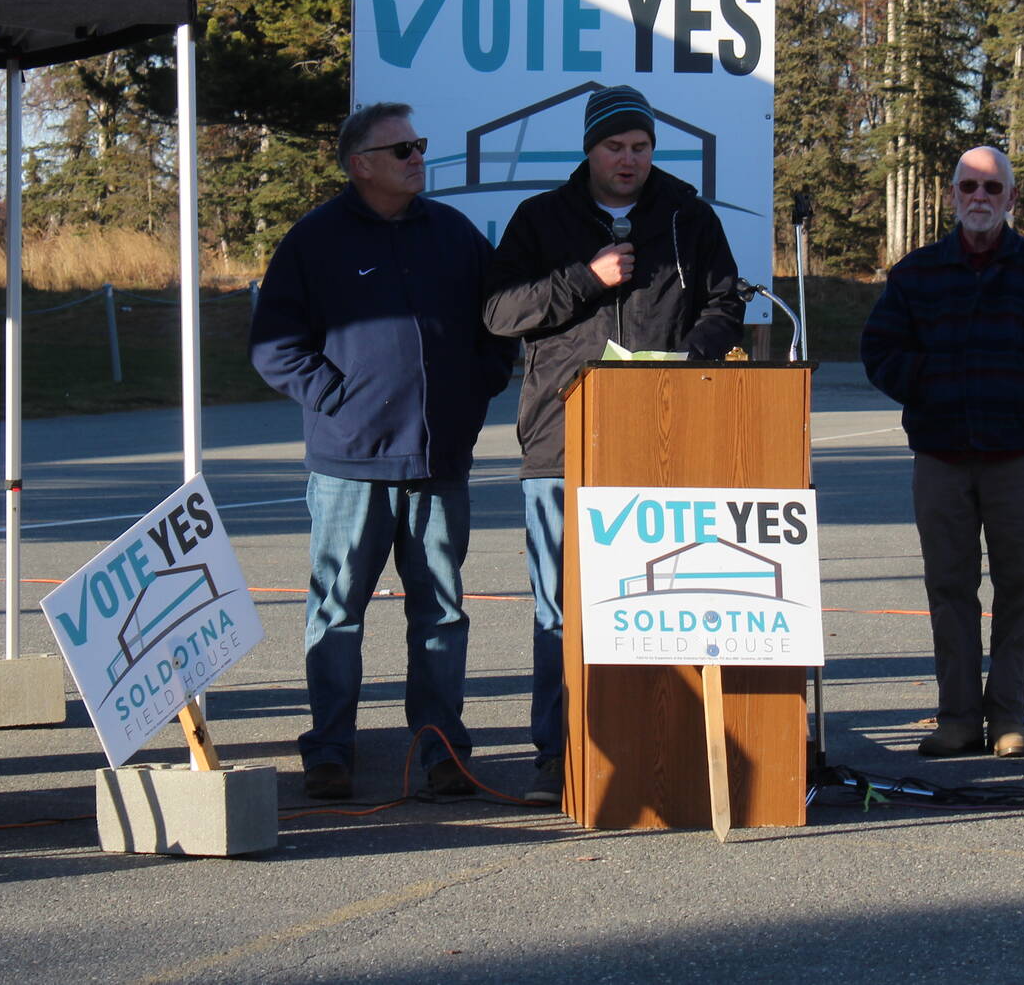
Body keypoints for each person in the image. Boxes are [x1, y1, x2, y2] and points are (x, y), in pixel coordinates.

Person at [483, 84, 744, 801]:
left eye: (640, 147)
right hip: (562, 443)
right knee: (560, 609)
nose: (628, 160)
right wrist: (583, 279)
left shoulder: (688, 214)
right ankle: (556, 755)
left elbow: (727, 300)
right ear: (589, 149)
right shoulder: (542, 218)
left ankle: (658, 746)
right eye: (615, 146)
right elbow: (501, 310)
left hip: (665, 439)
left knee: (660, 597)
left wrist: (695, 357)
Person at [249, 103, 516, 801]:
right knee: (337, 607)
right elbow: (274, 344)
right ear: (359, 162)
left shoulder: (454, 235)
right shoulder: (314, 241)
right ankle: (331, 748)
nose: (417, 158)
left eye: (420, 146)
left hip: (438, 462)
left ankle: (439, 747)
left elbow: (499, 326)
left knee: (441, 609)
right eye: (401, 149)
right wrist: (335, 398)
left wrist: (475, 389)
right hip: (349, 465)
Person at [859, 146, 1024, 758]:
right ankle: (958, 718)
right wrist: (928, 384)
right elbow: (880, 349)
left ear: (1011, 199)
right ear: (951, 195)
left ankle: (1009, 719)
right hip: (941, 453)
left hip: (1020, 451)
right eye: (968, 186)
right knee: (949, 587)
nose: (979, 197)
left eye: (992, 188)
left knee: (1018, 585)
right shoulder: (916, 275)